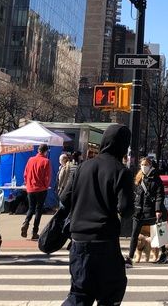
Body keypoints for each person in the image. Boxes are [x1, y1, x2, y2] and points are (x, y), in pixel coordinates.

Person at [60, 124, 134, 306]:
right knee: (112, 290)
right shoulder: (121, 171)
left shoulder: (83, 167)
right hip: (105, 241)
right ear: (123, 146)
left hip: (78, 240)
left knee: (80, 293)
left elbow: (64, 197)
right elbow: (125, 210)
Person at [127, 157, 168, 265]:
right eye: (142, 164)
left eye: (145, 165)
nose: (143, 167)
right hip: (139, 211)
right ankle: (130, 257)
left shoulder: (156, 178)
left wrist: (158, 209)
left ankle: (164, 252)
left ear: (150, 166)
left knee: (158, 234)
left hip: (151, 212)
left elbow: (160, 194)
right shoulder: (139, 177)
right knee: (134, 235)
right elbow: (136, 194)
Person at [21, 143, 51, 240]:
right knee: (39, 210)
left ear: (38, 150)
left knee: (31, 208)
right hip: (41, 189)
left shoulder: (30, 160)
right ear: (46, 151)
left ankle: (26, 222)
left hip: (30, 188)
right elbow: (47, 177)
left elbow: (25, 174)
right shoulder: (46, 161)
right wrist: (46, 186)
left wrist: (27, 183)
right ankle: (34, 232)